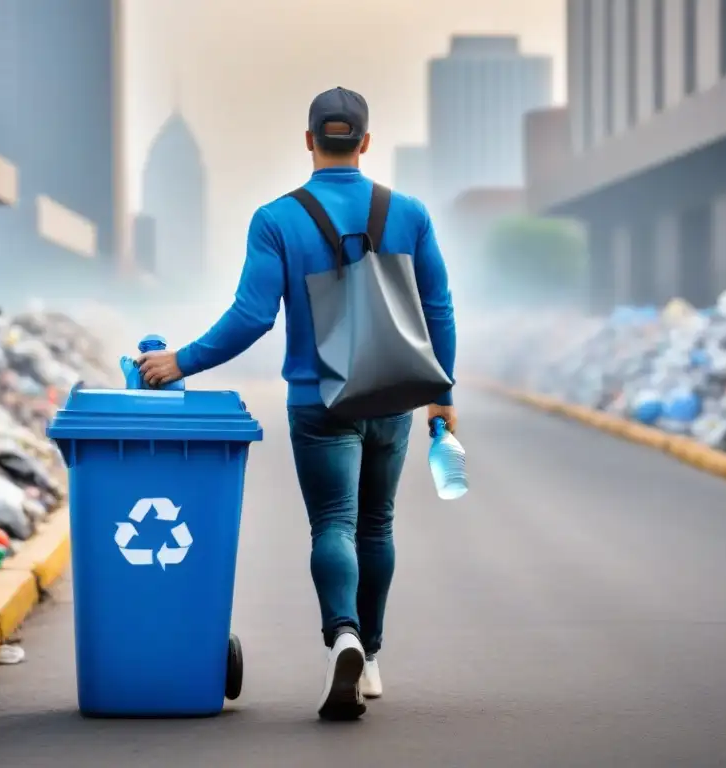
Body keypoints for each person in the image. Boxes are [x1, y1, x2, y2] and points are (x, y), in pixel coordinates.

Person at [138, 86, 457, 720]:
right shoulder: (409, 213)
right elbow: (439, 306)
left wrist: (182, 360)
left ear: (309, 140)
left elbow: (252, 316)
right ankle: (368, 657)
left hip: (318, 399)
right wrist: (441, 394)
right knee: (377, 524)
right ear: (365, 142)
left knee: (333, 523)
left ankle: (340, 631)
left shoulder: (277, 219)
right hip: (392, 394)